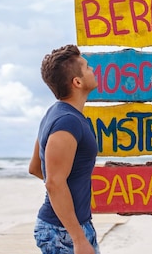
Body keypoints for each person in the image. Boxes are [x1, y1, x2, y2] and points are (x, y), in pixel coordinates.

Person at [29, 44, 100, 254]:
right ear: (77, 82)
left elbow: (35, 167)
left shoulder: (56, 114)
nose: (93, 70)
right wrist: (78, 238)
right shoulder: (67, 122)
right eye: (87, 68)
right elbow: (53, 182)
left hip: (69, 227)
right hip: (64, 233)